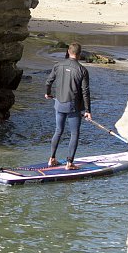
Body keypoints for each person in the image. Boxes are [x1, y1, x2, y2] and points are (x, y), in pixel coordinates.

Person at [44, 42, 92, 170]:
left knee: (58, 131)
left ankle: (51, 159)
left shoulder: (58, 65)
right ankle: (69, 163)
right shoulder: (82, 70)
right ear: (79, 54)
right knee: (74, 133)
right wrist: (88, 110)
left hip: (59, 104)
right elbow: (85, 91)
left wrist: (48, 94)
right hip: (73, 106)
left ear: (68, 52)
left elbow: (48, 82)